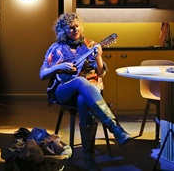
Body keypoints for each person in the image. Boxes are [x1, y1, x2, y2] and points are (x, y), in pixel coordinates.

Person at [39, 13, 132, 171]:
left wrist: (98, 58)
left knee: (83, 100)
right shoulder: (56, 48)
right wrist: (59, 67)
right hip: (64, 91)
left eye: (77, 26)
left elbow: (101, 73)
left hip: (89, 93)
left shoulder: (91, 45)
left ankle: (89, 158)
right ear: (63, 31)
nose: (75, 29)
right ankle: (115, 128)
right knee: (81, 81)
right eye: (71, 27)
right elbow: (42, 74)